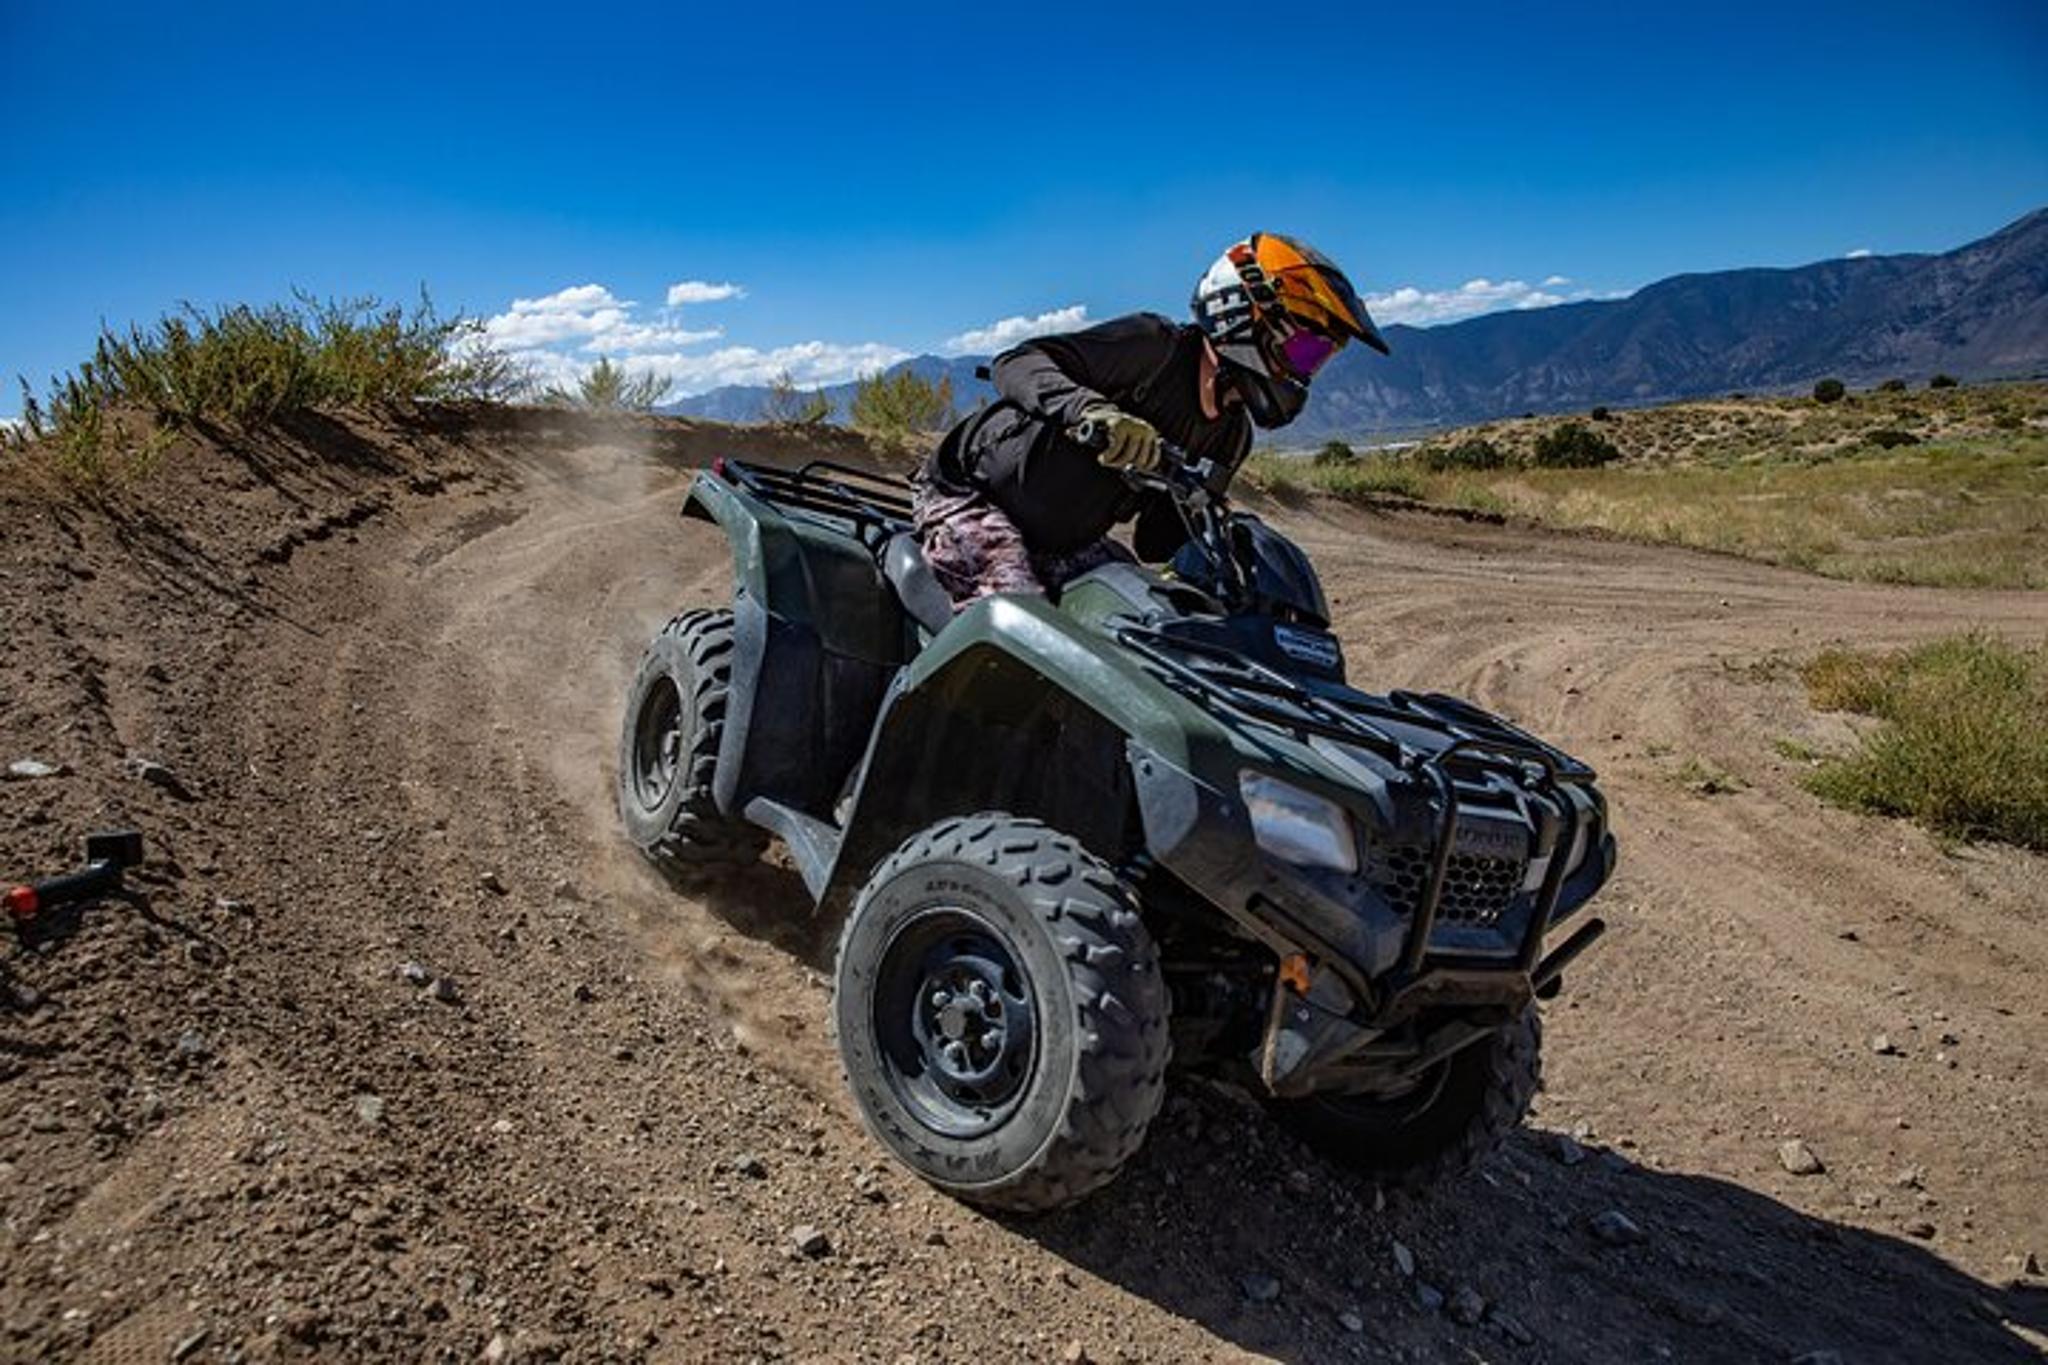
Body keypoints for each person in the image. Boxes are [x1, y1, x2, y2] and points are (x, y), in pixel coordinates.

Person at [914, 233, 1389, 608]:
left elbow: (1154, 542)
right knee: (1023, 621)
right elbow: (1015, 362)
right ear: (1244, 315)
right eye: (1306, 349)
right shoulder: (1153, 348)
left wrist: (1210, 532)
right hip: (969, 495)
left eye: (1319, 358)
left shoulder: (1230, 437)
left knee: (1140, 619)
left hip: (1061, 541)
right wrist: (1094, 411)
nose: (1306, 369)